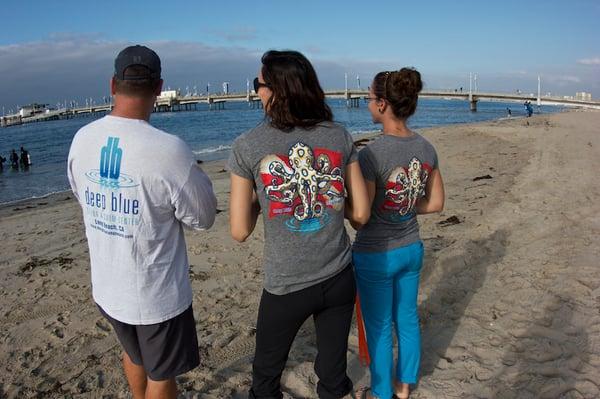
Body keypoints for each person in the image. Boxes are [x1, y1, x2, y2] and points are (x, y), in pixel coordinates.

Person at [67, 45, 217, 399]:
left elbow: (79, 193)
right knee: (162, 374)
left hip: (107, 285)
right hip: (155, 294)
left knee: (134, 354)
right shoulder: (168, 149)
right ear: (159, 86)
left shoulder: (82, 139)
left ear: (113, 84)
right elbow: (204, 216)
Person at [228, 50, 370, 399]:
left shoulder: (248, 145)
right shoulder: (339, 136)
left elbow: (239, 230)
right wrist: (331, 199)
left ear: (273, 89)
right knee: (333, 376)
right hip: (338, 276)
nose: (256, 91)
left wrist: (262, 201)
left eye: (257, 84)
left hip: (286, 286)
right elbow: (362, 214)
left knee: (265, 378)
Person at [352, 68, 445, 399]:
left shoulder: (370, 155)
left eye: (368, 95)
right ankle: (404, 386)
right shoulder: (427, 148)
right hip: (411, 248)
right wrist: (404, 206)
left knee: (378, 328)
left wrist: (349, 209)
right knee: (406, 318)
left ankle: (381, 392)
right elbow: (435, 204)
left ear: (381, 104)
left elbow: (360, 218)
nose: (366, 100)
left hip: (376, 253)